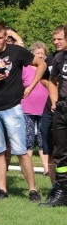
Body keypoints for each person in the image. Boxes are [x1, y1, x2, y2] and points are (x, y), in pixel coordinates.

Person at [0, 22, 46, 201]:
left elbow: (41, 65)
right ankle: (2, 190)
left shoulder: (17, 52)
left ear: (6, 37)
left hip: (13, 108)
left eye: (0, 38)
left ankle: (33, 190)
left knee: (21, 150)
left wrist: (31, 86)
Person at [39, 25, 67, 203]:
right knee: (61, 154)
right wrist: (55, 102)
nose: (56, 42)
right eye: (54, 39)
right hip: (62, 111)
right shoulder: (58, 58)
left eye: (60, 39)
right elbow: (52, 81)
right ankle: (62, 191)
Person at [22, 42, 50, 175]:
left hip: (44, 108)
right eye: (37, 54)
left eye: (42, 54)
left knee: (43, 138)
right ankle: (27, 169)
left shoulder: (48, 70)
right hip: (26, 108)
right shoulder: (25, 68)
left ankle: (46, 168)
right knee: (27, 139)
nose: (40, 56)